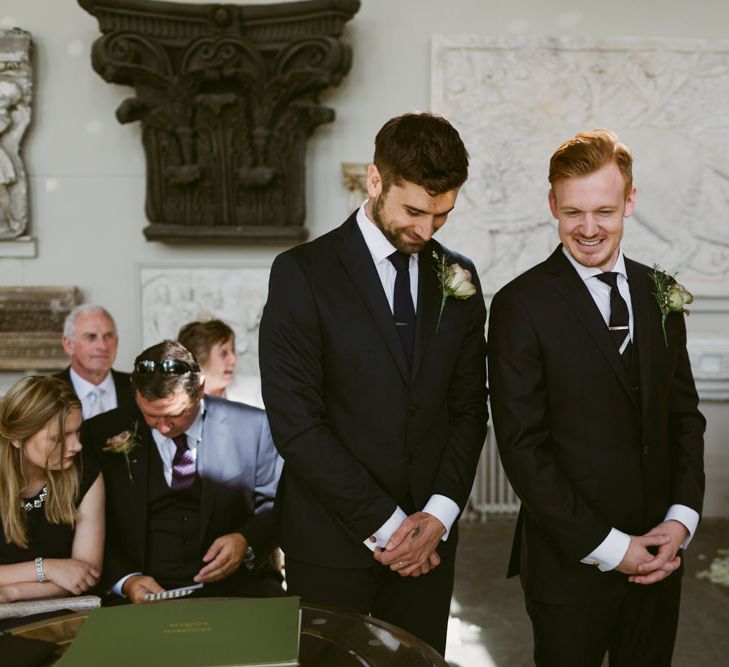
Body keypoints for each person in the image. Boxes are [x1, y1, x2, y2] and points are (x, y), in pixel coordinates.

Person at [259, 112, 488, 654]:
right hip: (332, 542)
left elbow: (468, 409)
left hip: (431, 543)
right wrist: (390, 526)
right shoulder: (302, 273)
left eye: (442, 215)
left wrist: (439, 514)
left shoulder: (459, 277)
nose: (426, 230)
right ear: (375, 180)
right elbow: (297, 425)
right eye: (413, 211)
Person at [487, 129, 705, 666]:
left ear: (630, 201)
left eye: (604, 210)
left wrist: (679, 522)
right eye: (572, 212)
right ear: (552, 206)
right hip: (569, 568)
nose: (588, 229)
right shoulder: (520, 304)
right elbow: (522, 447)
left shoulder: (661, 293)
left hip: (660, 561)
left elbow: (685, 419)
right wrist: (613, 548)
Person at [81, 340, 282, 603]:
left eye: (176, 414)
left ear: (199, 389)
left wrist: (245, 540)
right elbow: (90, 521)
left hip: (239, 588)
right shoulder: (100, 433)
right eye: (151, 415)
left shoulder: (253, 428)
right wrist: (126, 580)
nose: (163, 427)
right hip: (139, 595)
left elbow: (279, 504)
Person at [0, 376, 104, 603]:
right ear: (17, 438)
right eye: (59, 438)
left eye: (77, 432)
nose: (77, 446)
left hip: (62, 613)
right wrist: (46, 568)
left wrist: (11, 592)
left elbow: (85, 575)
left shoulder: (85, 475)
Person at [55, 304, 134, 419]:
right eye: (91, 337)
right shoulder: (46, 393)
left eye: (108, 336)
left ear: (117, 342)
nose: (102, 346)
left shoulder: (139, 388)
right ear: (69, 345)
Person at [178, 319, 237, 398]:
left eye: (233, 350)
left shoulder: (254, 393)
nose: (234, 360)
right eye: (223, 353)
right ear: (199, 359)